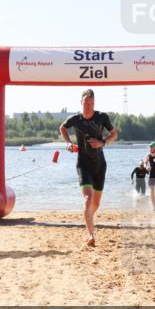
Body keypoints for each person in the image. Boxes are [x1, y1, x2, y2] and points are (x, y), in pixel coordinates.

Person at [59, 89, 118, 246]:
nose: (88, 106)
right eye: (86, 103)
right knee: (88, 199)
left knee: (96, 204)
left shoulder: (102, 117)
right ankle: (91, 234)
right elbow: (62, 128)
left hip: (99, 164)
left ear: (94, 103)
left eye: (91, 103)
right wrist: (69, 143)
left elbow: (114, 134)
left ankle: (89, 216)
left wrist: (103, 142)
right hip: (83, 164)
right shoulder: (75, 119)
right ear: (81, 103)